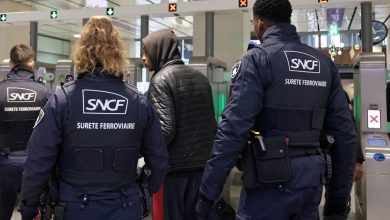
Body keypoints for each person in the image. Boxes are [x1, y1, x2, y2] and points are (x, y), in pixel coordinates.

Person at [196, 0, 357, 219]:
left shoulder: (256, 60)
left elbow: (233, 131)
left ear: (260, 23)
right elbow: (345, 135)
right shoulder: (323, 65)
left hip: (266, 186)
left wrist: (207, 194)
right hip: (310, 182)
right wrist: (338, 200)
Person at [19, 16, 169, 220]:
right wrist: (140, 191)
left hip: (74, 208)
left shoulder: (62, 101)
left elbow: (37, 162)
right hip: (126, 205)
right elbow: (159, 162)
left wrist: (29, 208)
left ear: (81, 51)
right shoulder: (138, 102)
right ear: (118, 51)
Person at [142, 29, 217, 220]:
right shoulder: (201, 79)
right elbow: (210, 124)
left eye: (146, 51)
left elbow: (164, 130)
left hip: (173, 173)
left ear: (159, 50)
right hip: (201, 169)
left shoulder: (160, 80)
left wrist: (141, 149)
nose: (143, 58)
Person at [0, 44, 52, 220]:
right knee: (34, 213)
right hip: (36, 166)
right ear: (33, 64)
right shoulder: (46, 92)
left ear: (10, 64)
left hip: (3, 164)